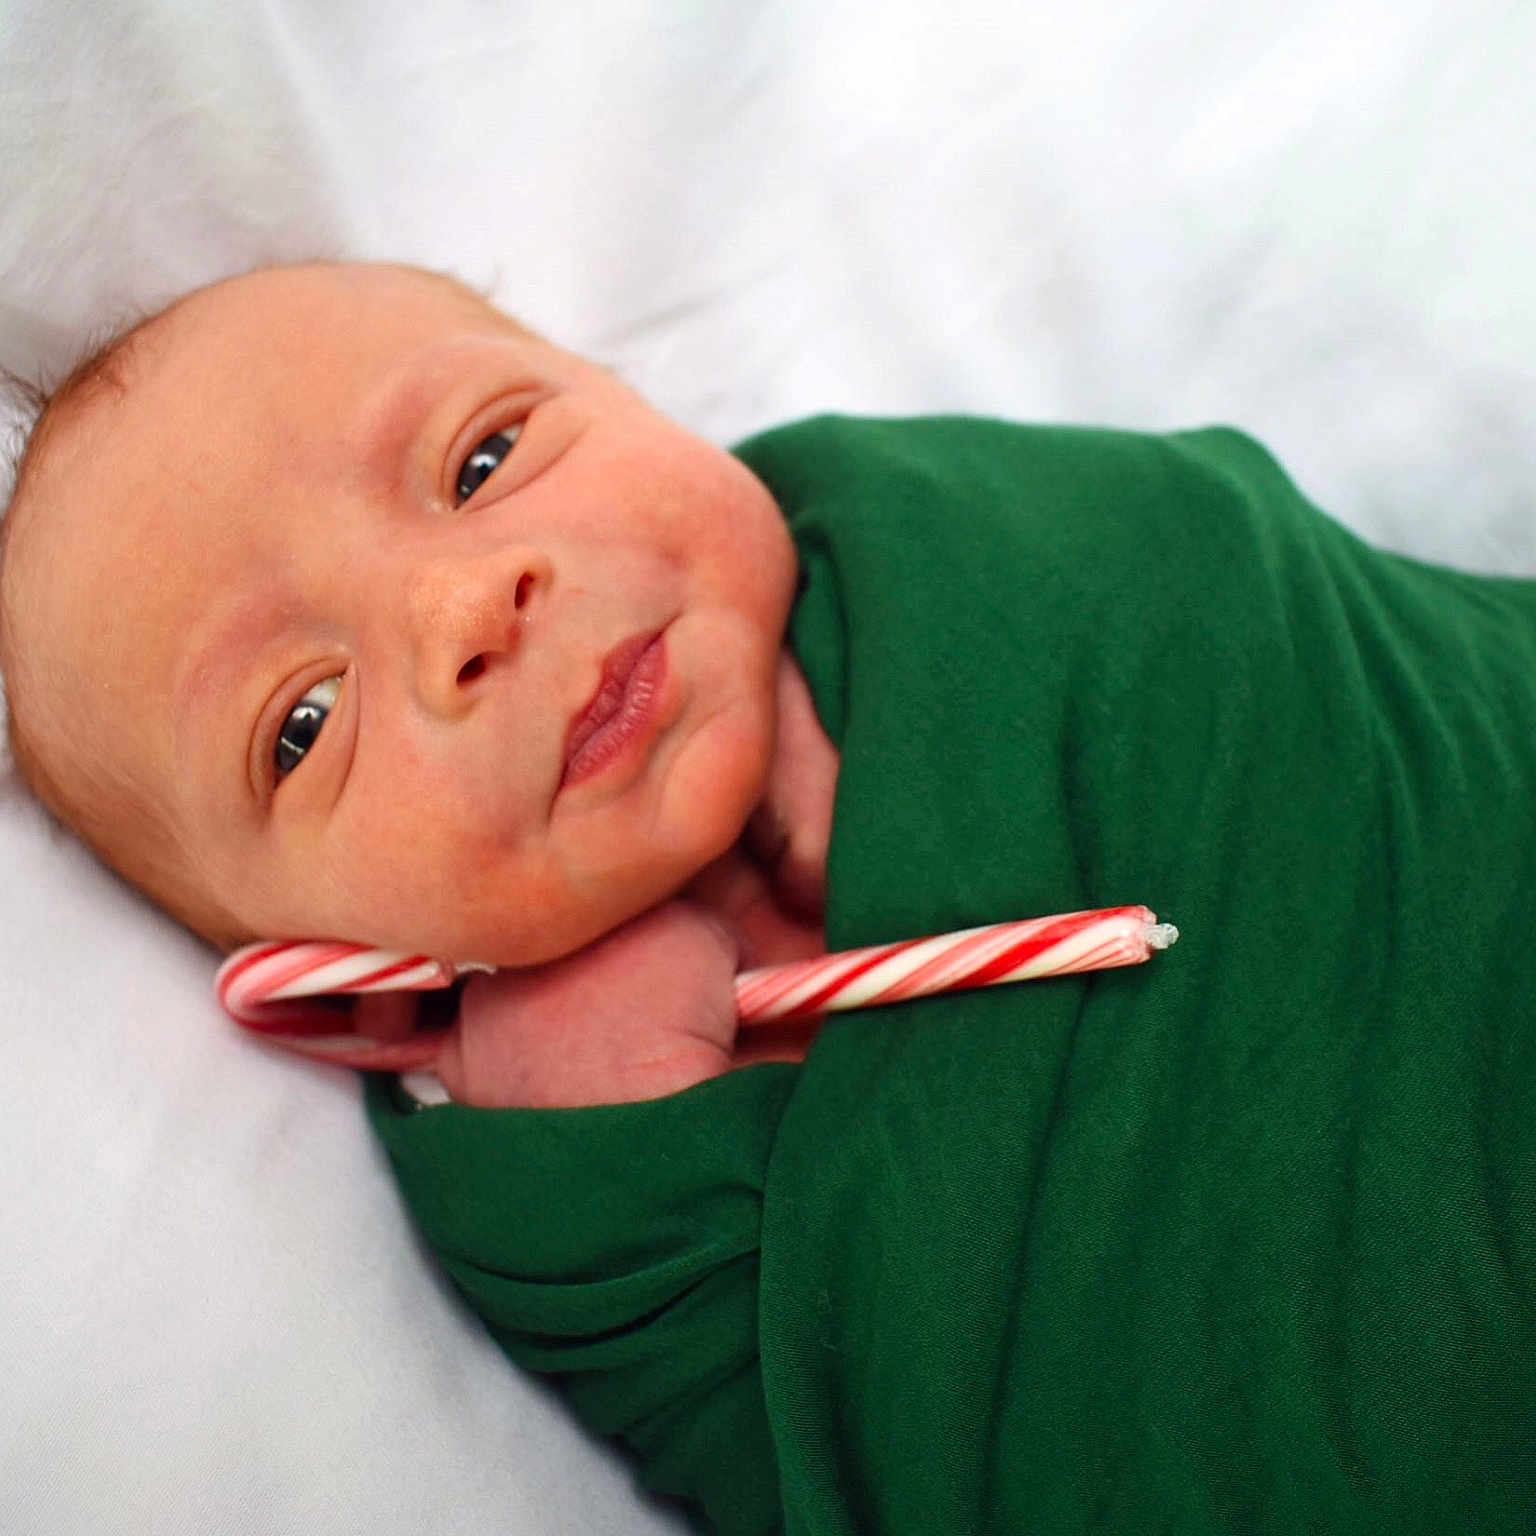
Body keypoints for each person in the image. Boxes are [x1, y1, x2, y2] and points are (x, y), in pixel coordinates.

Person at [2, 261, 1532, 1533]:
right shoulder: (557, 1175)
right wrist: (625, 1134)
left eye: (482, 461)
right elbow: (804, 1472)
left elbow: (1220, 579)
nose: (465, 604)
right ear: (332, 975)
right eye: (304, 722)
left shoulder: (951, 539)